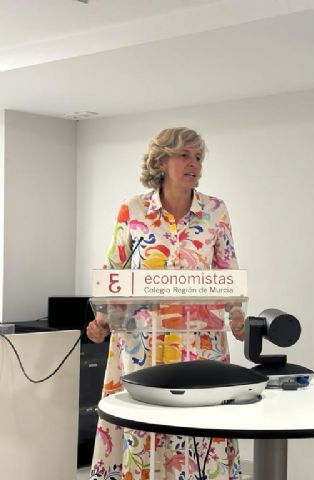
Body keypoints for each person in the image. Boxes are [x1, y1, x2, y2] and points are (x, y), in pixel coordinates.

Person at [87, 127, 246, 480]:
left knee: (200, 428)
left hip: (200, 342)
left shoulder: (216, 211)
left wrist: (237, 316)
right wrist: (101, 318)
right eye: (184, 155)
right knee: (145, 427)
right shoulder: (133, 209)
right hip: (142, 342)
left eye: (198, 157)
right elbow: (113, 268)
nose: (194, 164)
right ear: (161, 161)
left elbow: (228, 271)